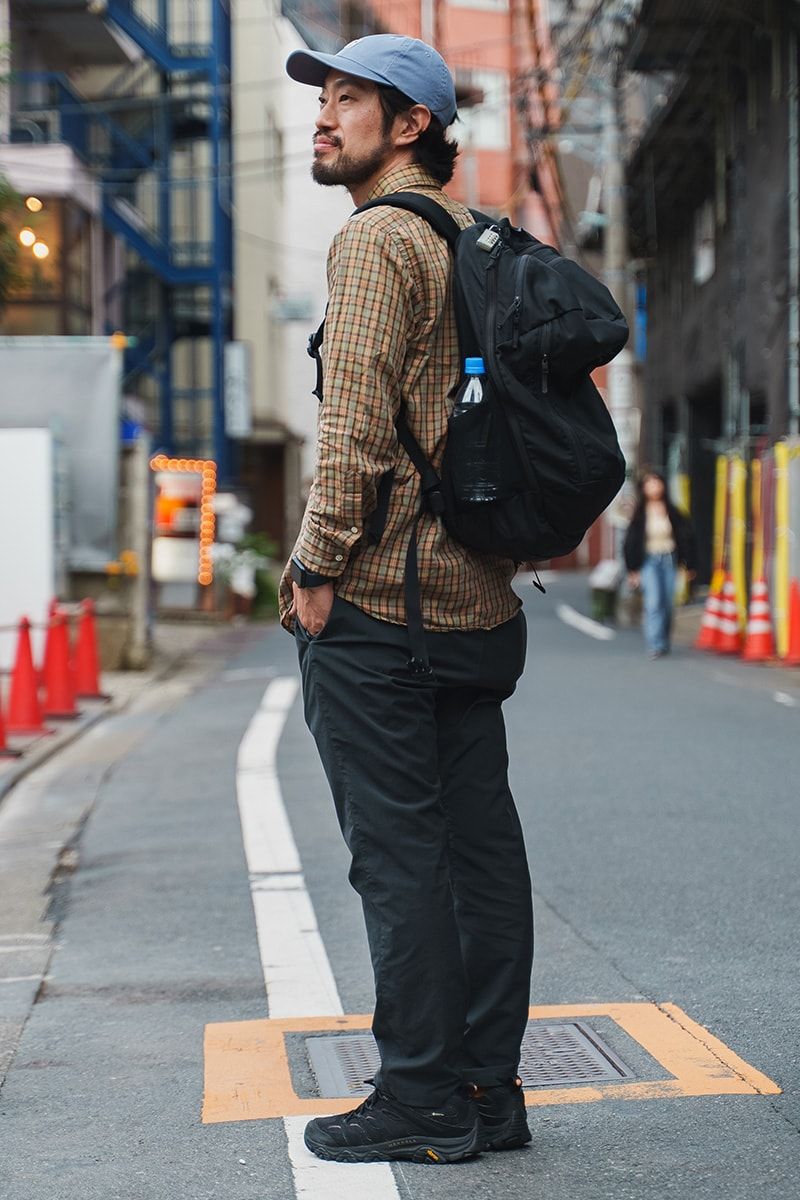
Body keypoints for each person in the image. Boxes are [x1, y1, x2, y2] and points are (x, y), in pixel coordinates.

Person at [278, 34, 533, 1165]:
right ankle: (486, 1088)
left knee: (399, 860)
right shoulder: (475, 240)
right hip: (478, 605)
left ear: (411, 123)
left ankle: (424, 1096)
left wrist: (312, 568)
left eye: (348, 100)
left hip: (384, 609)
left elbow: (354, 430)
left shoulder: (379, 240)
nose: (323, 118)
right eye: (322, 98)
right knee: (478, 855)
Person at [623, 470, 697, 658]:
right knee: (653, 602)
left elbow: (687, 537)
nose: (654, 487)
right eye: (649, 484)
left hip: (669, 559)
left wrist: (689, 565)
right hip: (649, 560)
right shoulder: (640, 514)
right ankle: (655, 644)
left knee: (667, 602)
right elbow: (630, 542)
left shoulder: (673, 512)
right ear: (643, 488)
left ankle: (664, 641)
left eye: (657, 483)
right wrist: (632, 570)